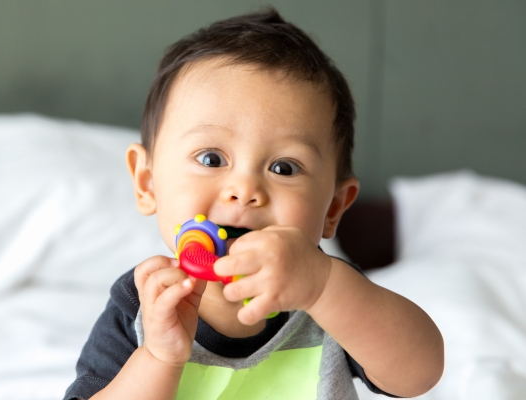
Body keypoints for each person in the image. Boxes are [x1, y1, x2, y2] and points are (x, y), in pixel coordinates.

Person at [64, 8, 444, 400]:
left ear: (333, 208)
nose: (244, 189)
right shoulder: (143, 306)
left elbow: (419, 374)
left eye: (284, 167)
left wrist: (323, 287)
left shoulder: (330, 294)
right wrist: (159, 358)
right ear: (146, 182)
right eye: (211, 159)